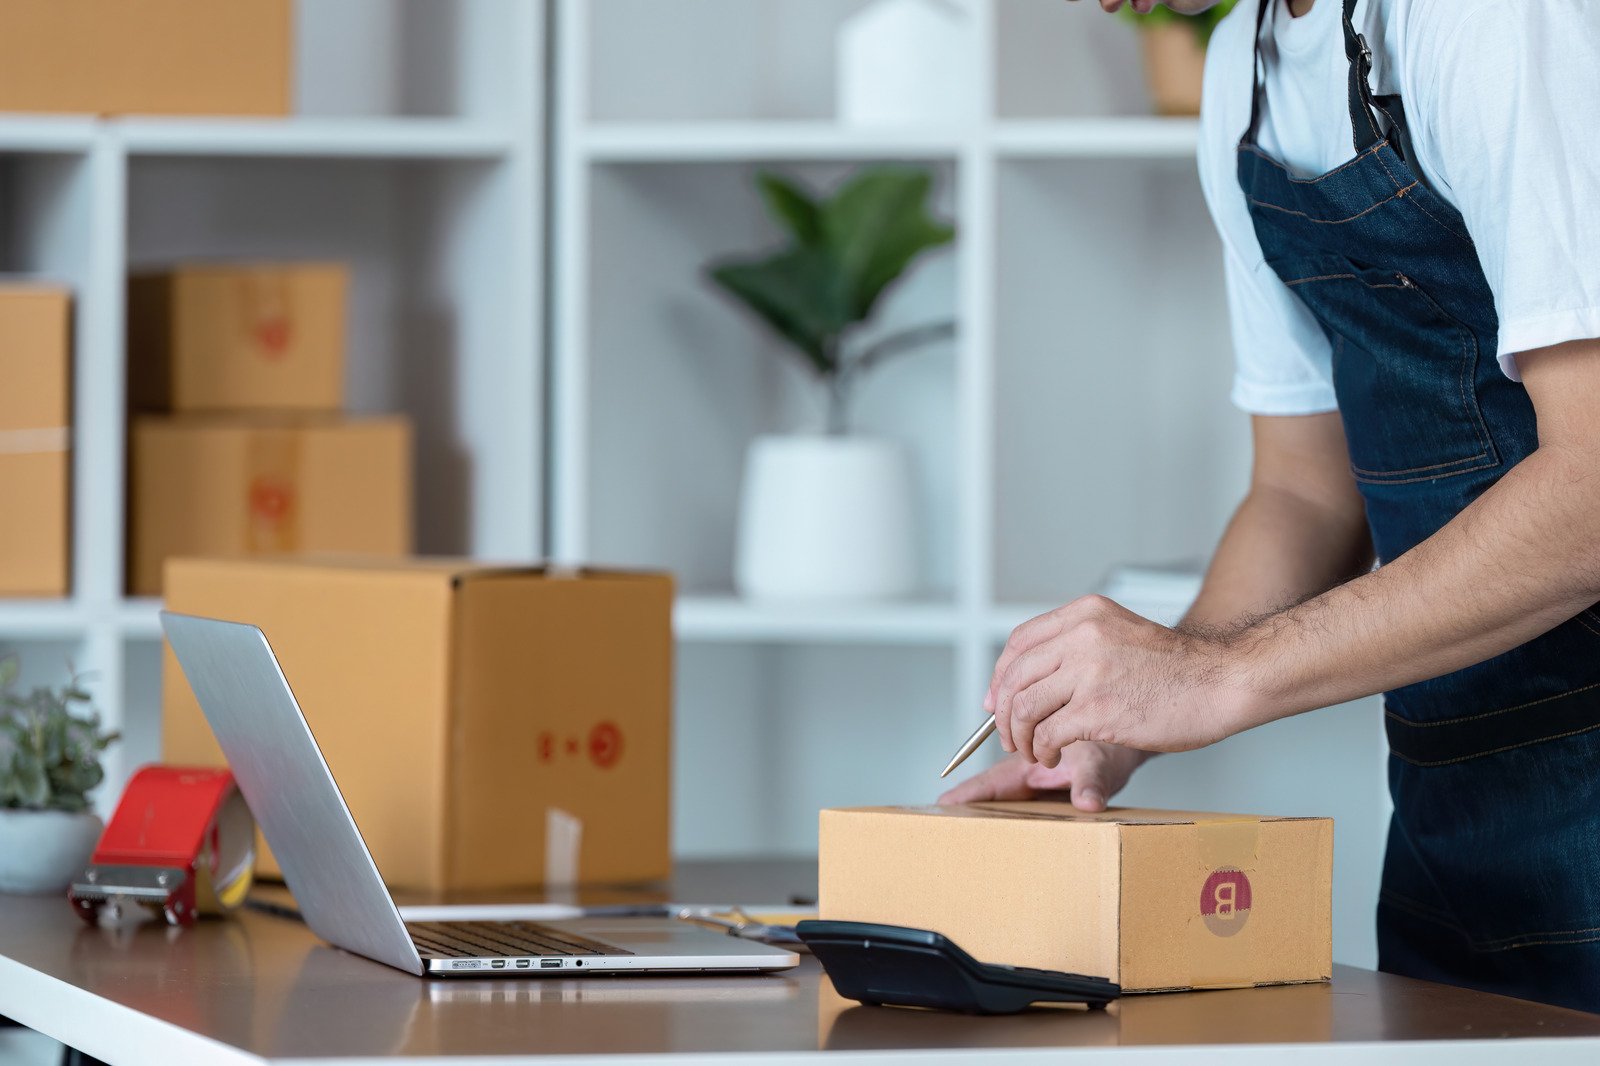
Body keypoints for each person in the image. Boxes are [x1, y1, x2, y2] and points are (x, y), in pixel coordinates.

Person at [940, 0, 1600, 1012]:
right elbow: (1301, 485)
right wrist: (1124, 721)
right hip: (1450, 804)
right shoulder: (1238, 82)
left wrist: (1221, 676)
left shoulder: (1491, 21)